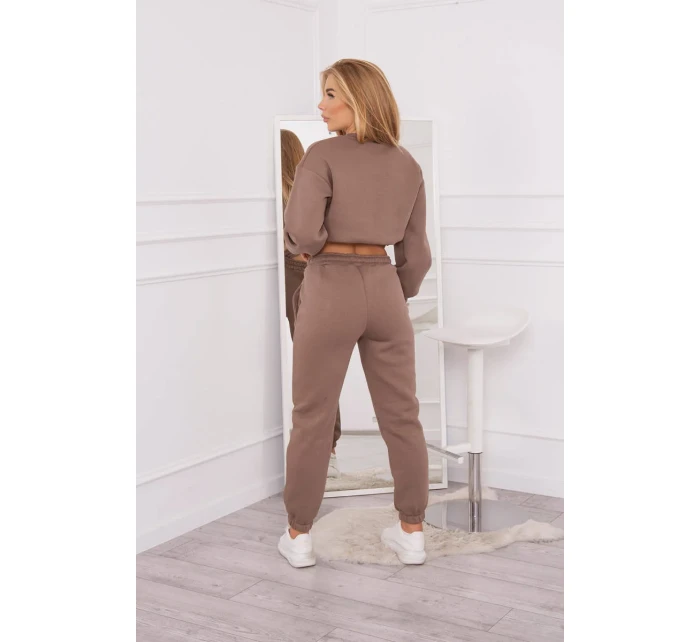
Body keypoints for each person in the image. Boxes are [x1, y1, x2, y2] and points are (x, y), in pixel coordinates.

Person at [277, 59, 432, 568]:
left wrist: (315, 251)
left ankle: (299, 536)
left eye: (330, 94)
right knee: (402, 414)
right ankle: (412, 532)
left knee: (313, 416)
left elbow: (302, 231)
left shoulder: (322, 155)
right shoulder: (407, 164)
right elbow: (417, 254)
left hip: (330, 285)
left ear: (358, 99)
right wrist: (392, 293)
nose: (321, 106)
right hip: (385, 287)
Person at [281, 129, 341, 478]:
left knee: (314, 365)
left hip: (295, 271)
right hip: (305, 270)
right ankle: (327, 449)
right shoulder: (306, 193)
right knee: (318, 365)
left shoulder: (294, 195)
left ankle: (326, 449)